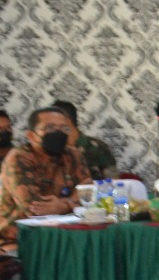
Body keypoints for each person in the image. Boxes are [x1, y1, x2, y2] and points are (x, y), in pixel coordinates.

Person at [0, 107, 92, 251]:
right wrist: (73, 201)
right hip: (19, 239)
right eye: (49, 128)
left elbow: (88, 188)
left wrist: (64, 205)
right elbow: (35, 208)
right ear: (31, 135)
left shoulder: (73, 154)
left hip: (65, 236)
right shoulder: (19, 159)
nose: (58, 133)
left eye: (64, 128)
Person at [51, 100, 119, 180]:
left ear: (66, 121)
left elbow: (113, 180)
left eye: (51, 120)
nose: (49, 125)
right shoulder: (51, 148)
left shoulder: (98, 147)